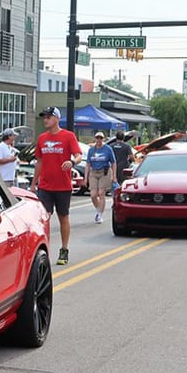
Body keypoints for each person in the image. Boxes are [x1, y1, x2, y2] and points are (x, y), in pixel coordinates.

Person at [30, 106, 82, 265]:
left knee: (63, 217)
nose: (45, 120)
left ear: (57, 118)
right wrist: (33, 184)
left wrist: (72, 161)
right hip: (45, 186)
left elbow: (78, 156)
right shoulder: (42, 138)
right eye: (44, 117)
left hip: (63, 186)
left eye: (48, 117)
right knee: (44, 219)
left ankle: (64, 249)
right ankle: (42, 251)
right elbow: (39, 161)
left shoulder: (68, 136)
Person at [84, 132, 116, 224]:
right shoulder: (91, 150)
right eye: (97, 138)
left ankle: (100, 214)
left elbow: (113, 162)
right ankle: (99, 209)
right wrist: (86, 178)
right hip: (94, 172)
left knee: (101, 193)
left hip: (104, 172)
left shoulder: (108, 149)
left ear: (103, 139)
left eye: (100, 138)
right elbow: (88, 164)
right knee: (93, 195)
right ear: (95, 139)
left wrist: (114, 175)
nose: (99, 140)